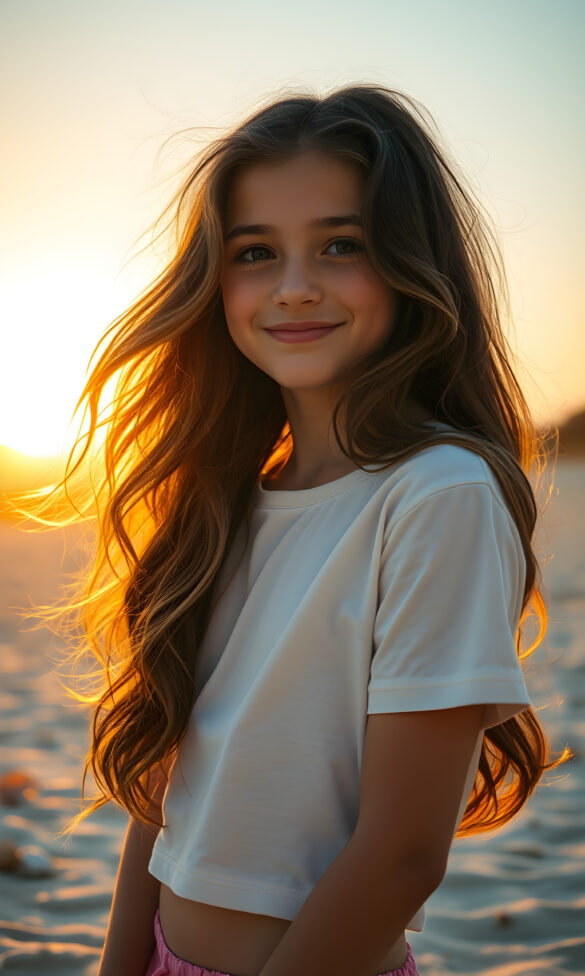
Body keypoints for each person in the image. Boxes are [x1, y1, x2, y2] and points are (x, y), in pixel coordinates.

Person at [17, 83, 570, 976]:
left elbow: (401, 857)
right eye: (255, 252)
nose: (296, 287)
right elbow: (167, 798)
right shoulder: (223, 500)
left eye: (340, 245)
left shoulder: (437, 496)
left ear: (409, 261)